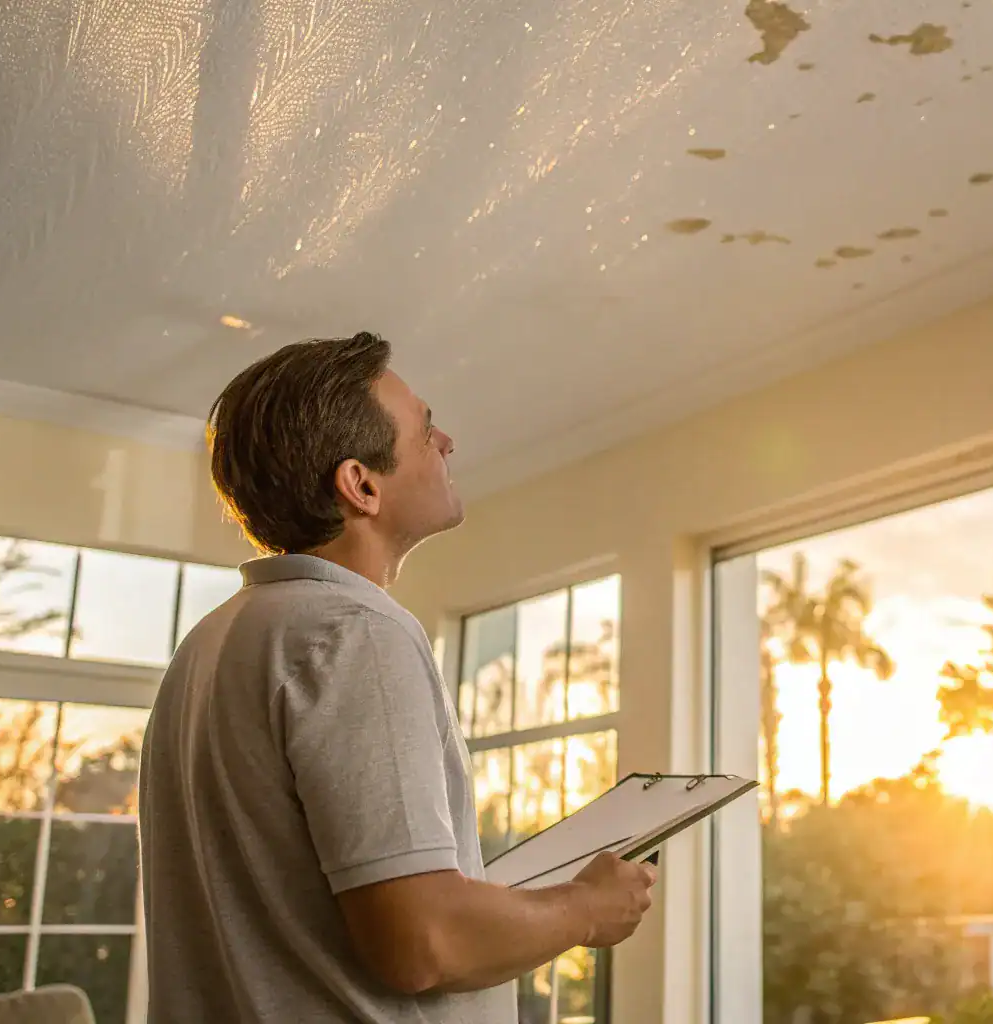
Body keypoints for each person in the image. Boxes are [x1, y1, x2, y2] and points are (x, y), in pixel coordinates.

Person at [138, 332, 655, 1023]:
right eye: (425, 430)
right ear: (361, 484)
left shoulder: (209, 645)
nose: (447, 443)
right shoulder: (355, 632)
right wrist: (586, 910)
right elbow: (422, 941)